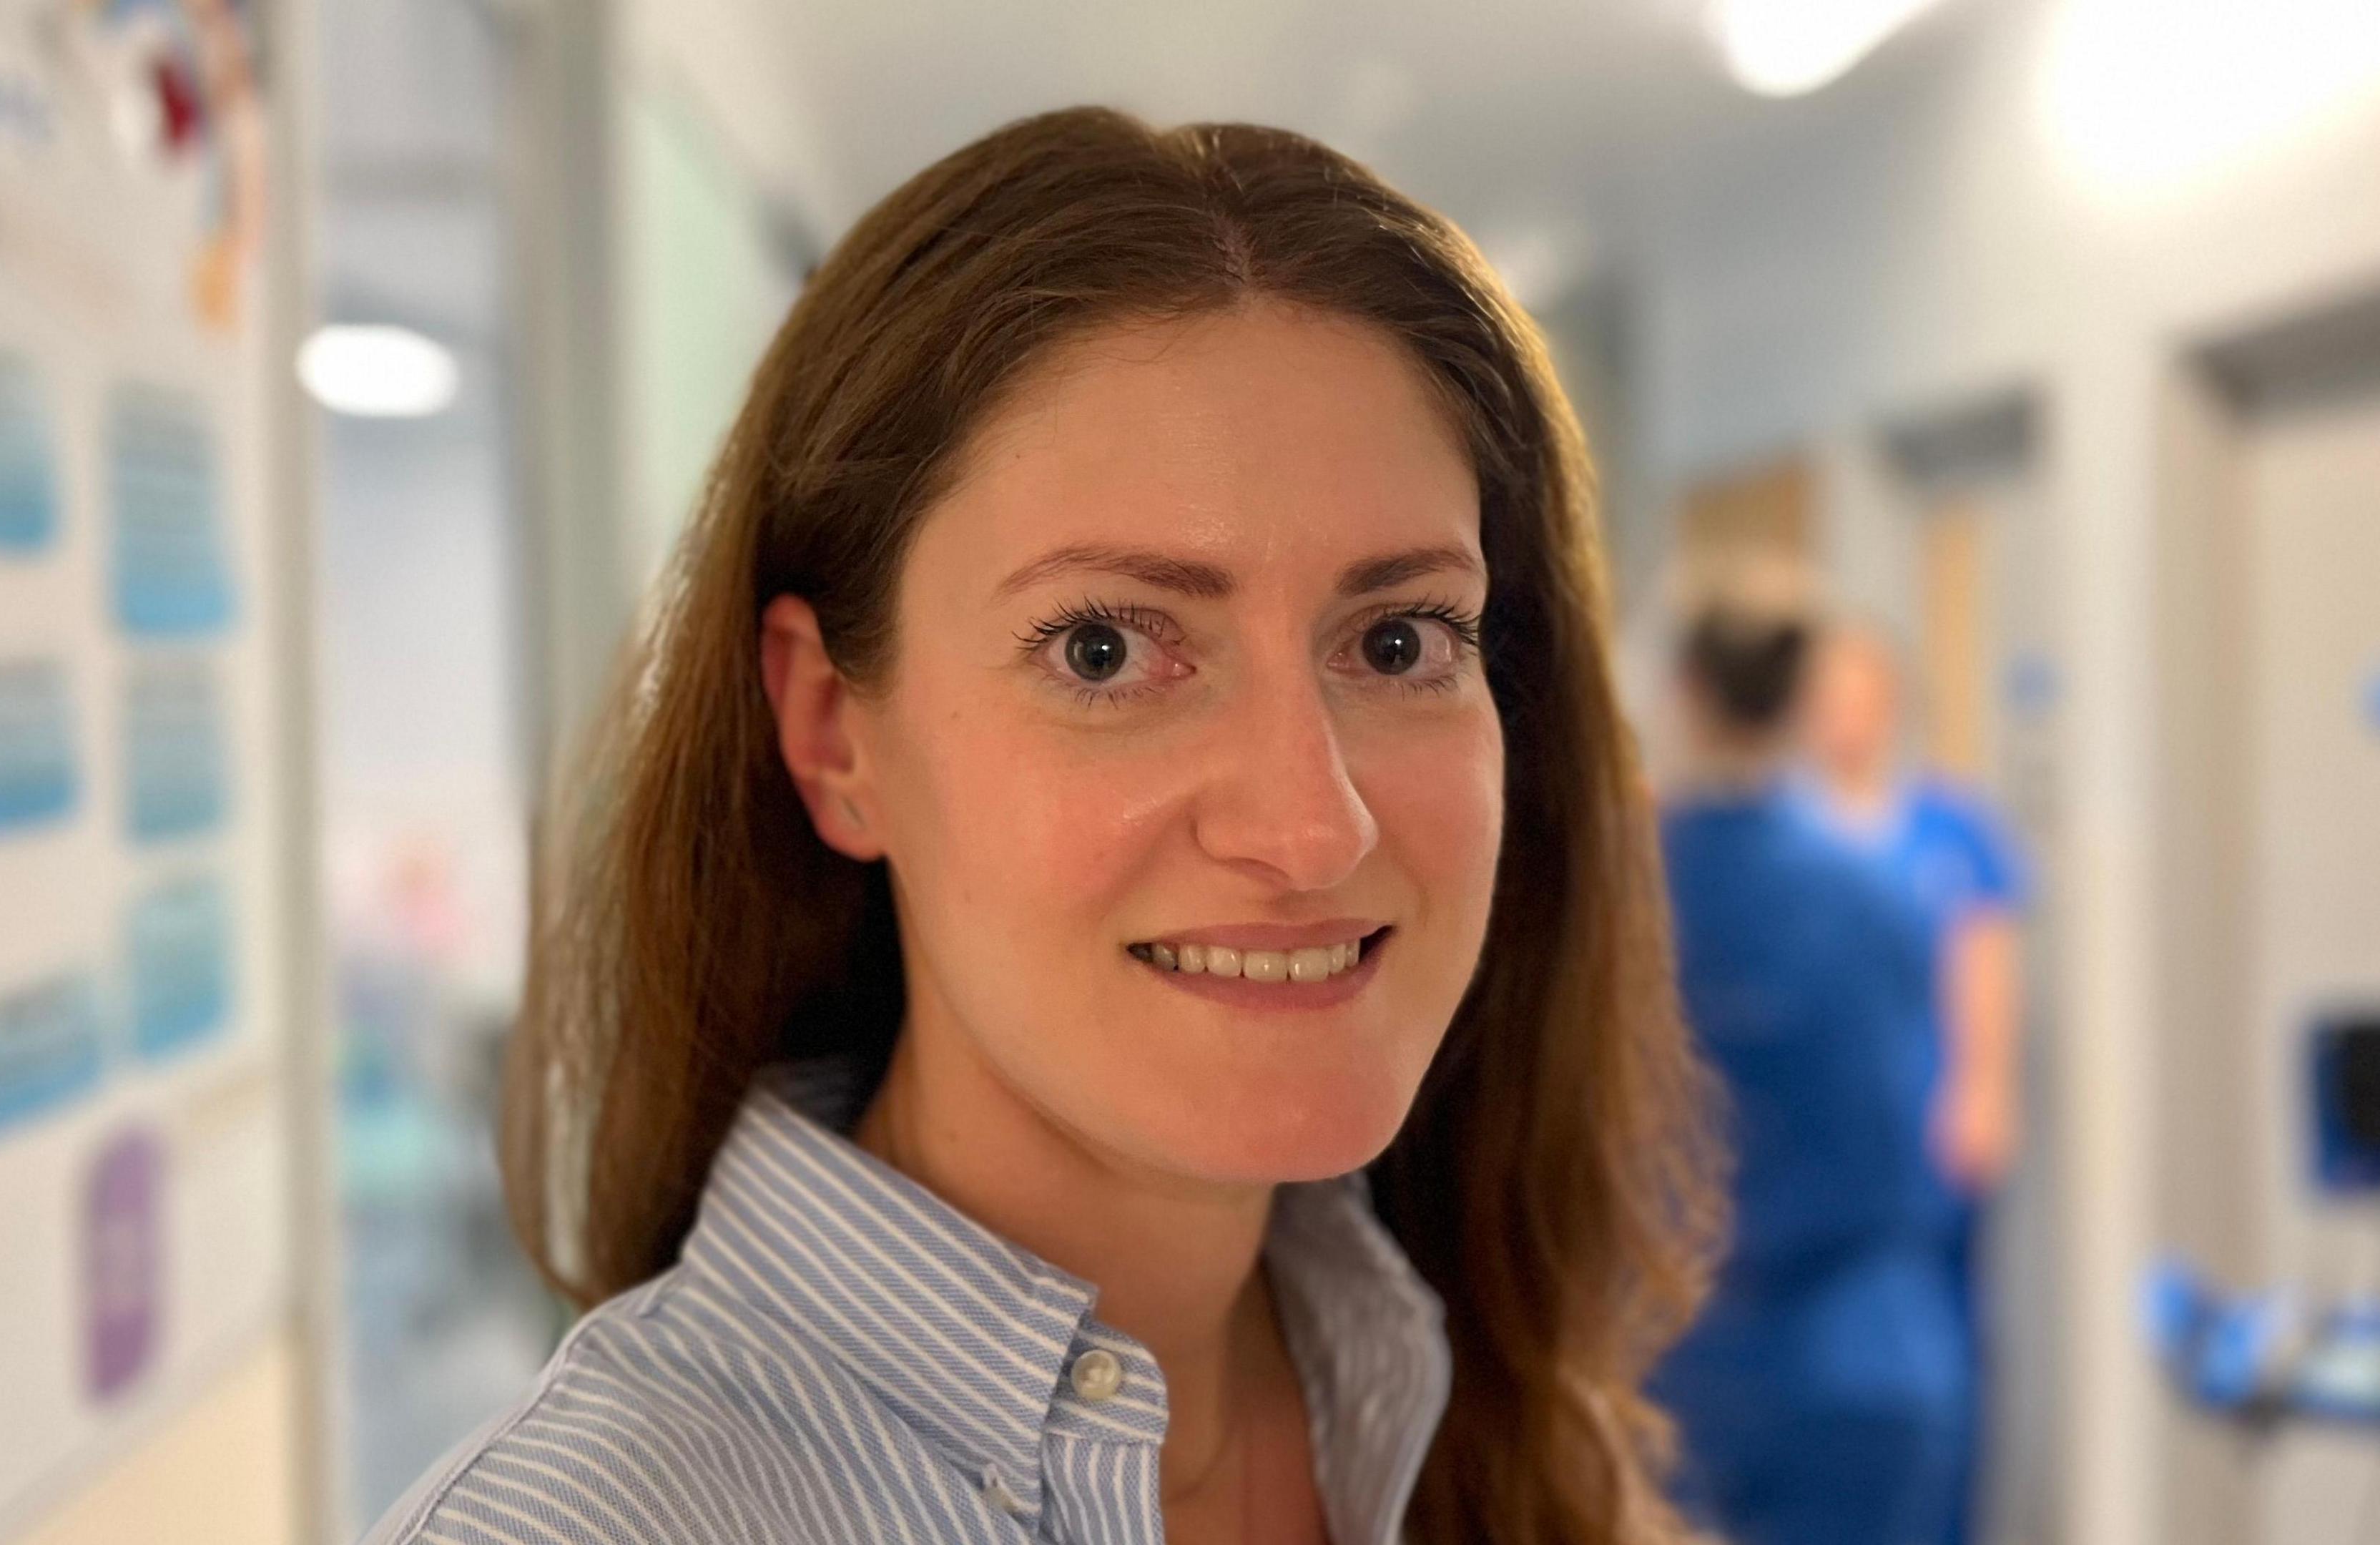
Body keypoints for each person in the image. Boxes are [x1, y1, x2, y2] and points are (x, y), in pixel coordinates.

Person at [364, 107, 1720, 1545]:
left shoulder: (1462, 1390)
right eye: (1104, 651)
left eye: (1398, 644)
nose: (1312, 828)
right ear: (832, 733)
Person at [1651, 600, 1963, 1545]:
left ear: (1685, 695)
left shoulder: (1624, 885)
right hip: (1865, 1360)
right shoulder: (1874, 885)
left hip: (1677, 1354)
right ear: (1800, 702)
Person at [1803, 624, 2032, 1545]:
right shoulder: (1782, 830)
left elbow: (1984, 962)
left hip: (1925, 1143)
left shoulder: (1950, 830)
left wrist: (1984, 1089)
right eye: (1832, 694)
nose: (1849, 715)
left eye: (1865, 694)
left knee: (1936, 1355)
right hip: (1812, 1153)